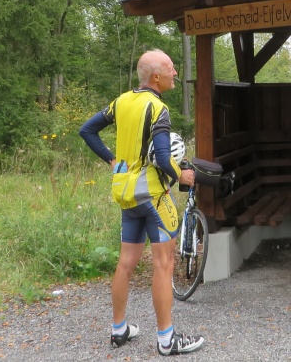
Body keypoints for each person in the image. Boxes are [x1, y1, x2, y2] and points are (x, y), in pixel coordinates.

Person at [79, 49, 205, 356]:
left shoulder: (121, 101)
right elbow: (163, 158)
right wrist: (182, 175)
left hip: (126, 193)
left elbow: (88, 130)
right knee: (163, 264)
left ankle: (118, 329)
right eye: (171, 68)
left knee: (125, 263)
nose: (175, 73)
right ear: (156, 76)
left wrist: (112, 160)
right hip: (152, 195)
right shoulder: (157, 108)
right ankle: (167, 340)